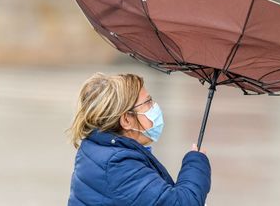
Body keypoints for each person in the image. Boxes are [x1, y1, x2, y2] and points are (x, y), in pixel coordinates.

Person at [67, 72, 211, 205]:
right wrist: (195, 164)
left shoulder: (98, 148)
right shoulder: (118, 165)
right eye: (148, 102)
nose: (155, 107)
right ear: (126, 119)